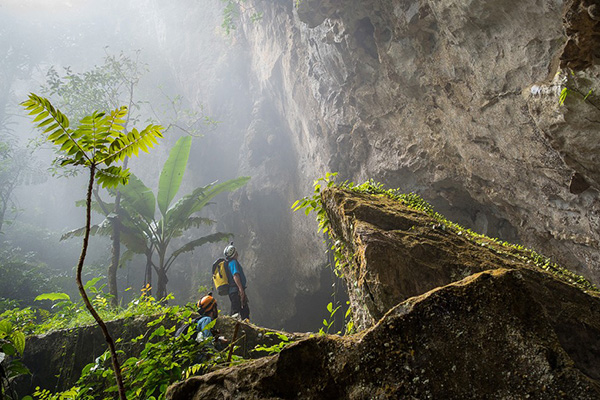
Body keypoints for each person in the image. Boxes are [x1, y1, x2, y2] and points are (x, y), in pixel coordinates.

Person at [223, 242, 250, 320]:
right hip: (236, 291)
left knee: (244, 309)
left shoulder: (231, 263)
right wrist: (240, 289)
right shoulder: (233, 263)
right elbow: (235, 275)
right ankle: (233, 325)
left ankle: (245, 324)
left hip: (234, 291)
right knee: (236, 311)